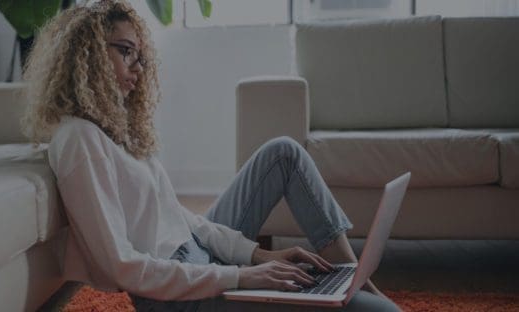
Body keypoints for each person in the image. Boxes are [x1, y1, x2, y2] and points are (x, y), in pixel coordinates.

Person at [22, 1, 399, 311]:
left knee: (283, 152)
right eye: (126, 52)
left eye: (141, 57)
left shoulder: (117, 131)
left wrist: (254, 256)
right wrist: (239, 276)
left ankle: (355, 278)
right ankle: (357, 295)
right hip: (174, 297)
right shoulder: (79, 139)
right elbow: (121, 266)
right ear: (87, 56)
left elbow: (181, 218)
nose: (138, 68)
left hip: (201, 259)